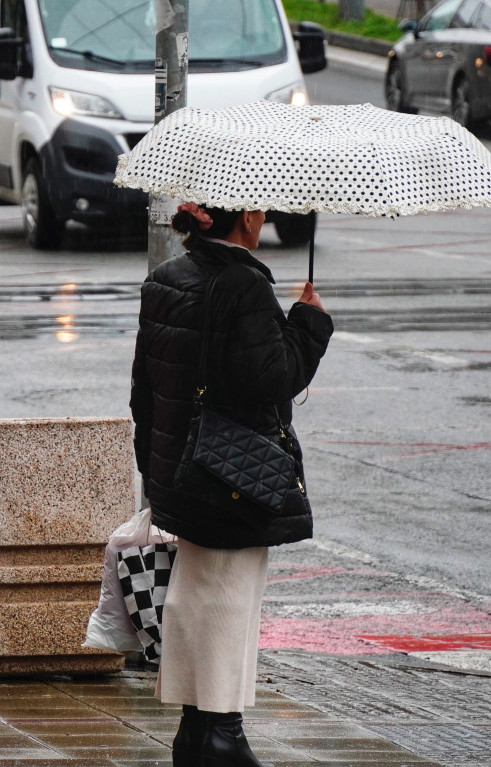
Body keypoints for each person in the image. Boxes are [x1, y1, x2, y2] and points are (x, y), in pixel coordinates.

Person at [130, 202, 332, 767]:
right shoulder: (244, 285)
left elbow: (144, 388)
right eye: (259, 210)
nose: (264, 215)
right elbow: (271, 380)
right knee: (229, 599)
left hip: (182, 471)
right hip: (233, 476)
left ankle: (197, 732)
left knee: (197, 595)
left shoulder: (166, 278)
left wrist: (155, 472)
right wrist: (308, 323)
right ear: (243, 218)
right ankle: (221, 735)